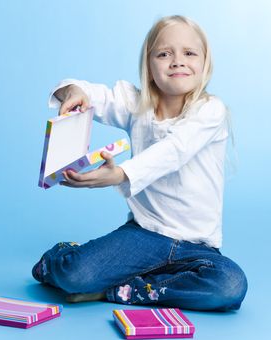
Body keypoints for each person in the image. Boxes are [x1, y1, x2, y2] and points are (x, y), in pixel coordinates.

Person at [32, 15, 248, 311]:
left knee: (230, 284)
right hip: (144, 235)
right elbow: (83, 91)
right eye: (164, 53)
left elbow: (174, 150)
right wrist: (73, 92)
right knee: (75, 275)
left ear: (205, 63)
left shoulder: (210, 110)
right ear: (149, 65)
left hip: (198, 248)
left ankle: (124, 289)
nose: (177, 61)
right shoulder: (136, 105)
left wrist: (120, 174)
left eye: (189, 53)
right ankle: (61, 257)